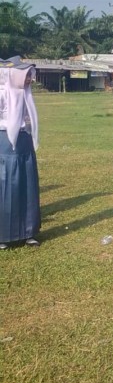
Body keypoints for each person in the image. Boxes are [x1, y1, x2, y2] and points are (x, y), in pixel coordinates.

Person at [0, 57, 41, 249]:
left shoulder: (26, 95)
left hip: (24, 141)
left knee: (27, 185)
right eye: (26, 76)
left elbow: (29, 121)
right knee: (7, 186)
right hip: (5, 143)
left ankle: (29, 232)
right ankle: (4, 235)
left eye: (30, 76)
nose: (30, 80)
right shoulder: (2, 94)